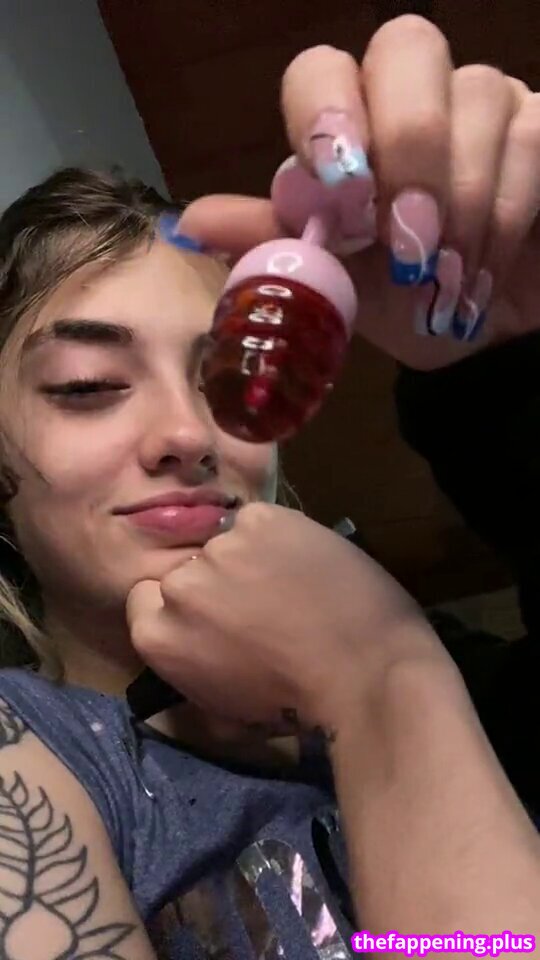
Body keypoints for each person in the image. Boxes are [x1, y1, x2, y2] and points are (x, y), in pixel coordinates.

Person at [0, 15, 538, 960]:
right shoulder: (34, 756)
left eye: (226, 370)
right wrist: (380, 684)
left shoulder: (479, 690)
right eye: (86, 386)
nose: (189, 434)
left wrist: (507, 374)